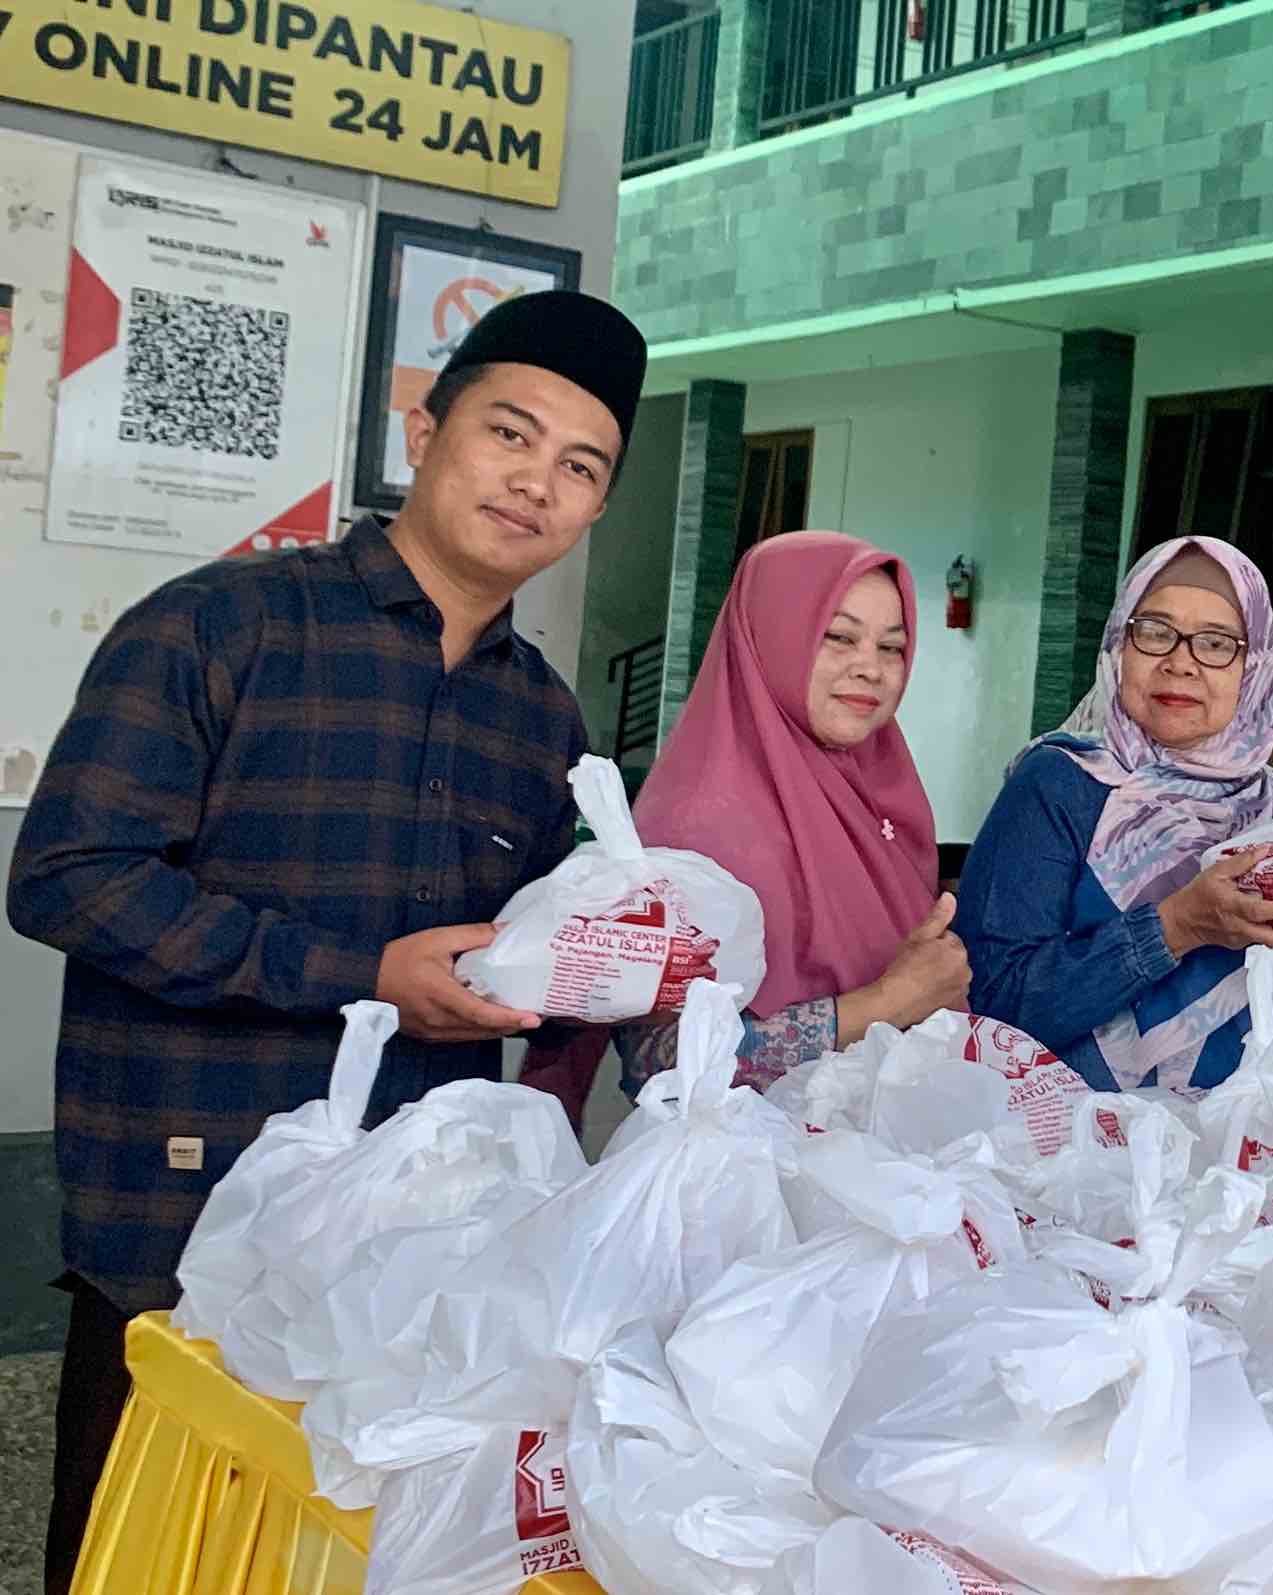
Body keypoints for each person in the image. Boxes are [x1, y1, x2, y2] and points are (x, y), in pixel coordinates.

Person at [6, 290, 644, 1594]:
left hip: (403, 1273)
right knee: (133, 1554)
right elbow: (69, 875)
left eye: (582, 467)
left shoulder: (542, 719)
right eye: (510, 432)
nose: (538, 482)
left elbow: (536, 960)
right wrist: (364, 979)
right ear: (425, 428)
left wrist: (627, 962)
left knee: (317, 1561)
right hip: (179, 1235)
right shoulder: (221, 627)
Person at [960, 537, 1273, 1091]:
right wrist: (1176, 927)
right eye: (1154, 632)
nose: (1181, 663)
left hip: (1223, 1158)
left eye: (1217, 643)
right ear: (1118, 646)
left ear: (1255, 668)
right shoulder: (1059, 786)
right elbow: (991, 1004)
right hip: (1059, 1146)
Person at [616, 531, 969, 1094]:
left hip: (882, 1155)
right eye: (838, 638)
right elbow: (661, 1062)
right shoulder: (692, 823)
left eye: (892, 647)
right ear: (772, 638)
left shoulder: (886, 794)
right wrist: (886, 1003)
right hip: (745, 1168)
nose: (870, 669)